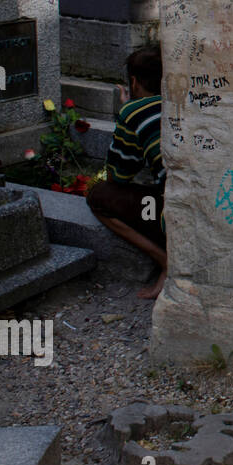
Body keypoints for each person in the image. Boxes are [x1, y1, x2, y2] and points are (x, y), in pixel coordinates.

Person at [86, 45, 167, 299]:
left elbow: (119, 175)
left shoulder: (133, 111)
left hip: (173, 214)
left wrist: (127, 111)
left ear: (133, 81)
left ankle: (165, 260)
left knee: (99, 197)